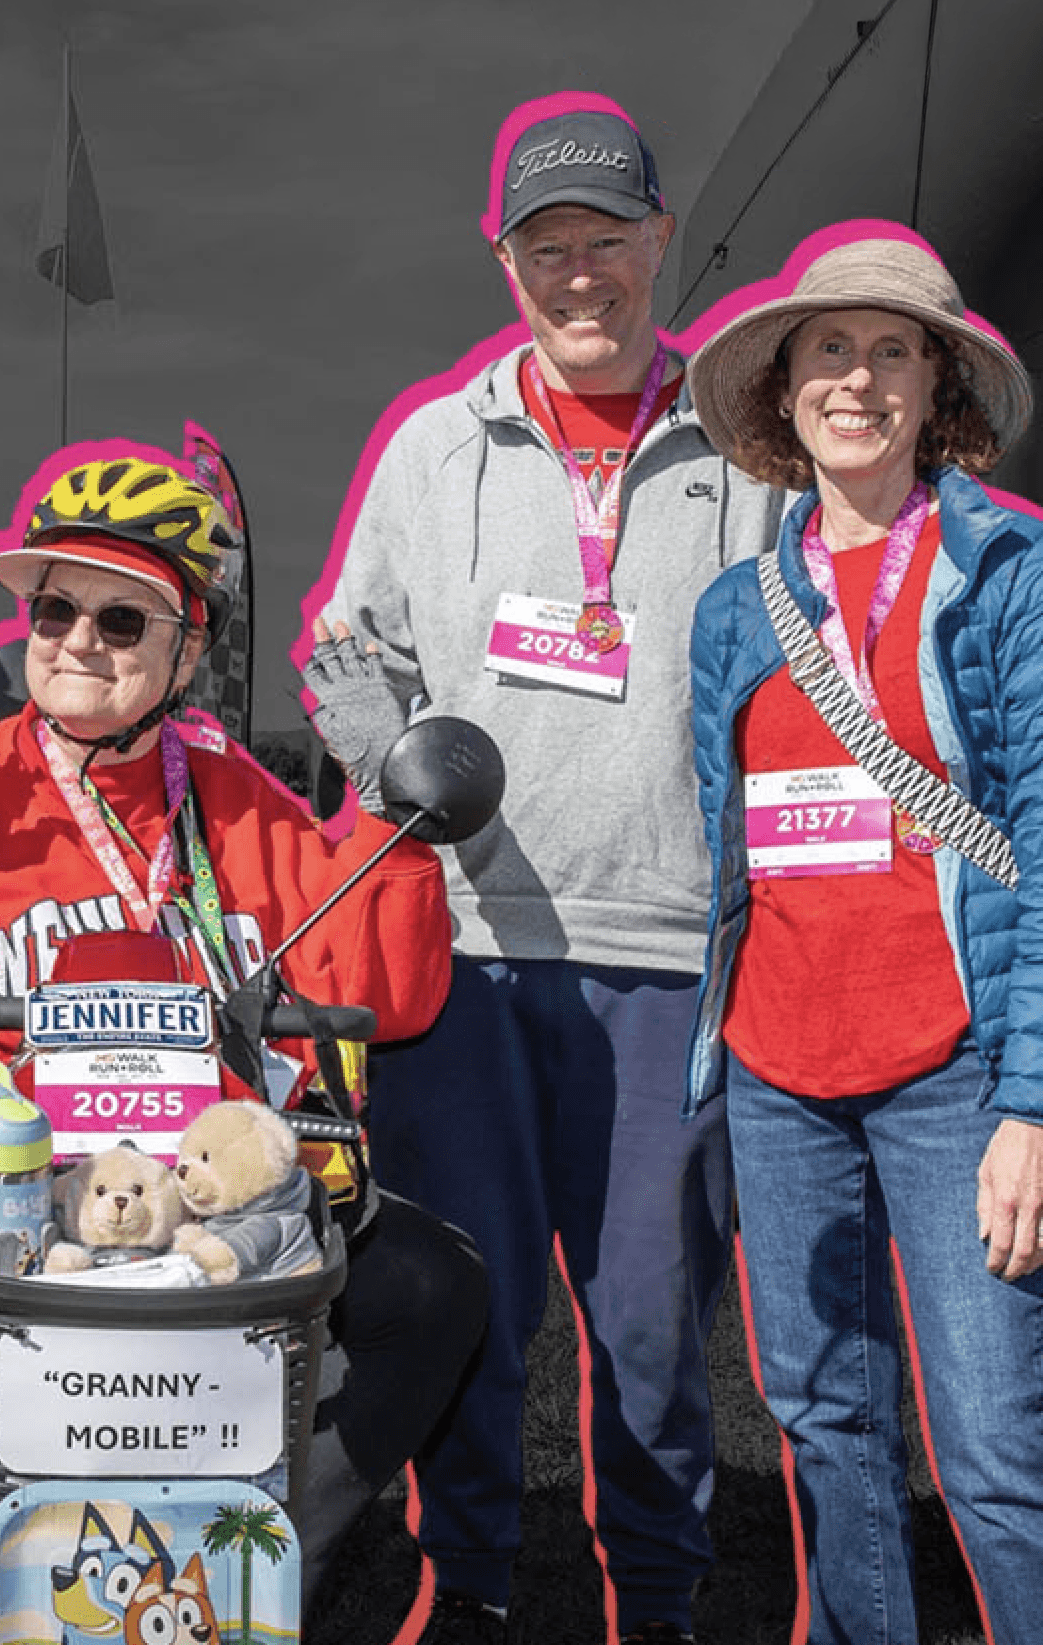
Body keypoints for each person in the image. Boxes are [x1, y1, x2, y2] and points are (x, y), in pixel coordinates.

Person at [0, 451, 485, 1645]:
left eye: (120, 615)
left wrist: (379, 804)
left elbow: (384, 995)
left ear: (186, 650)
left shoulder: (236, 797)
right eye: (54, 608)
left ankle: (241, 1577)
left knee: (433, 1283)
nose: (79, 640)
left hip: (180, 1162)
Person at [300, 95, 787, 1644]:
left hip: (669, 958)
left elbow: (812, 662)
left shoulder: (746, 444)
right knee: (474, 1312)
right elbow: (342, 653)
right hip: (468, 952)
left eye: (607, 241)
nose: (581, 275)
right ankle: (480, 1592)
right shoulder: (437, 446)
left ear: (662, 240)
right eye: (546, 247)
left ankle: (658, 1595)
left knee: (648, 1325)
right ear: (506, 260)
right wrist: (406, 775)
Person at [683, 226, 1043, 1644]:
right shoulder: (733, 611)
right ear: (783, 388)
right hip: (780, 1069)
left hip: (957, 1067)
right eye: (829, 348)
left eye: (893, 350)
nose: (859, 378)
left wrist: (1032, 1102)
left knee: (997, 1452)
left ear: (935, 383)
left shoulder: (1010, 571)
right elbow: (733, 853)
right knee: (822, 1423)